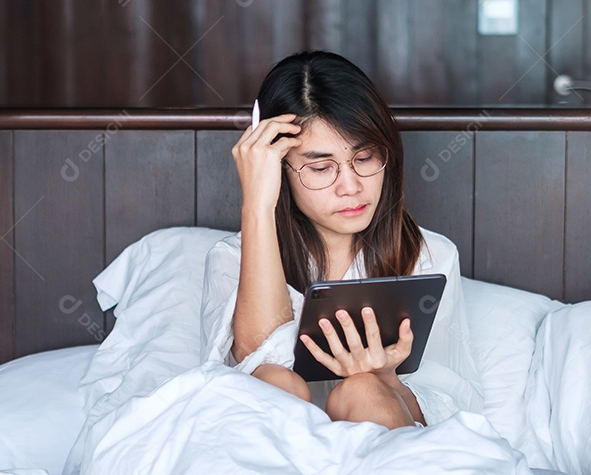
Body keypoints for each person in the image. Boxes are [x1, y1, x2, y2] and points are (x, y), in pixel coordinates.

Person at [200, 50, 482, 430]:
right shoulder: (230, 259)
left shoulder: (430, 256)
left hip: (384, 439)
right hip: (273, 446)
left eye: (364, 159)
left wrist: (385, 379)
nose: (351, 187)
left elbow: (451, 404)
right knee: (277, 382)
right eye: (320, 168)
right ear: (276, 167)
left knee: (362, 391)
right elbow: (256, 365)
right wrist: (257, 205)